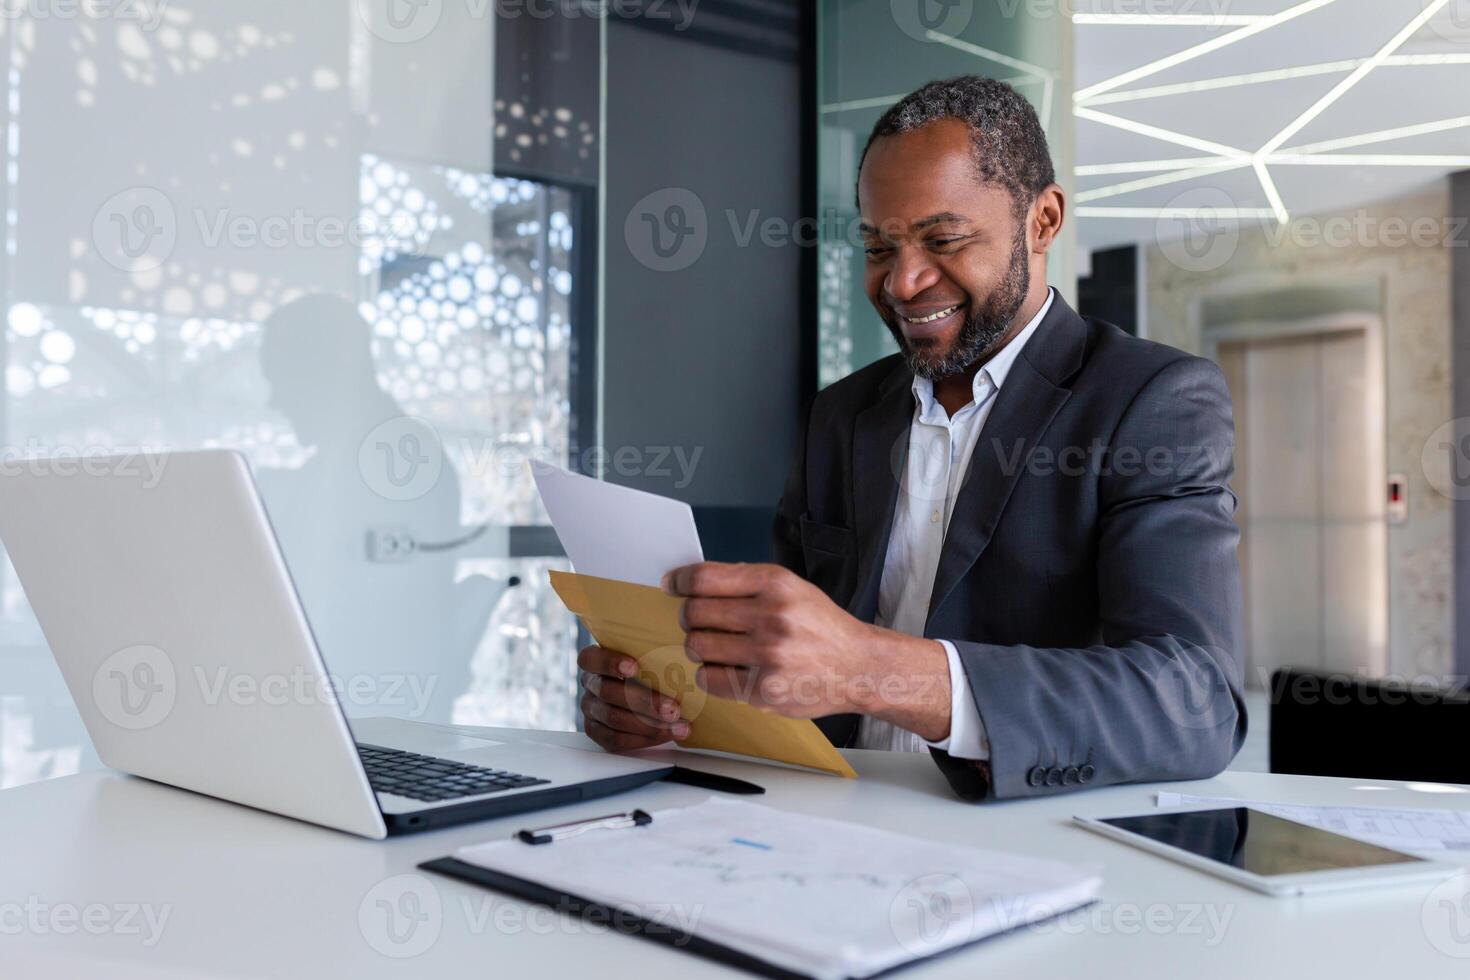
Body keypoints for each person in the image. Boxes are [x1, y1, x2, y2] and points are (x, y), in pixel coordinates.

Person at [577, 76, 1246, 799]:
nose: (903, 282)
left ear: (1043, 220)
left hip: (1020, 849)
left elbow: (1195, 702)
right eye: (877, 247)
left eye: (943, 239)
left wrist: (873, 667)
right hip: (821, 829)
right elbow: (791, 667)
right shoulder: (839, 417)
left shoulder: (1151, 401)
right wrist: (673, 704)